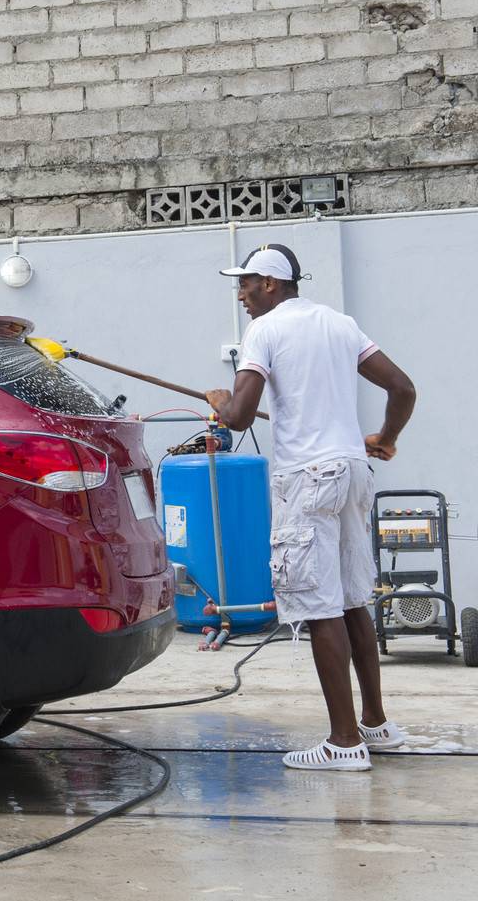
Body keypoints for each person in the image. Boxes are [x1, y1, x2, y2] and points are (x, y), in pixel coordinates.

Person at [205, 244, 416, 772]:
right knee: (350, 599)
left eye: (247, 283)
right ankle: (374, 723)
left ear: (272, 284)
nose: (242, 294)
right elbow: (403, 387)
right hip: (350, 471)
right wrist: (386, 438)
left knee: (320, 605)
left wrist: (220, 404)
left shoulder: (266, 330)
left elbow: (240, 416)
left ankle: (343, 744)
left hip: (307, 478)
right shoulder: (340, 324)